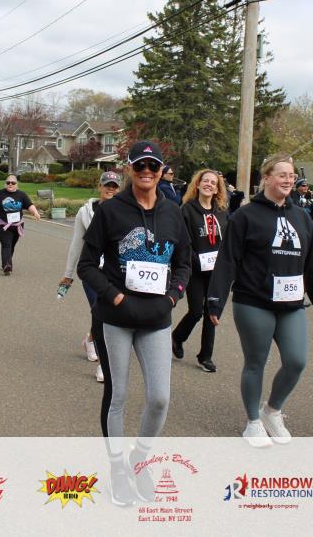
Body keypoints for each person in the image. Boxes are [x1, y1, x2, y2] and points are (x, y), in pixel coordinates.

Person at [77, 140, 191, 506]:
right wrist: (114, 296)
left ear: (161, 171)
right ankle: (116, 468)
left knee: (159, 399)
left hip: (157, 318)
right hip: (116, 318)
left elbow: (184, 263)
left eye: (152, 166)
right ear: (130, 168)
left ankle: (139, 461)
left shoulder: (173, 212)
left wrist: (173, 296)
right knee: (119, 395)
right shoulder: (111, 211)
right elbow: (86, 265)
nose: (146, 171)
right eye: (139, 165)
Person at [207, 155, 313, 447]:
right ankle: (252, 421)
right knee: (256, 363)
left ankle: (272, 410)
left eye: (291, 175)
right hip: (254, 302)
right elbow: (228, 260)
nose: (288, 180)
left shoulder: (302, 217)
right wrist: (215, 300)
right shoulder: (245, 216)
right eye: (282, 175)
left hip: (291, 304)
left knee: (296, 361)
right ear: (266, 178)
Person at [59, 170, 122, 383]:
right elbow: (77, 243)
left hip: (116, 272)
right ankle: (104, 365)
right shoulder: (85, 212)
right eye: (107, 185)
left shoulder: (125, 210)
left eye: (114, 186)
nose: (110, 189)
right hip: (92, 272)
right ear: (100, 186)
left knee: (108, 315)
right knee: (100, 314)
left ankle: (90, 339)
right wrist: (68, 274)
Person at [172, 168, 229, 373]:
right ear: (197, 184)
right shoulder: (187, 210)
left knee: (211, 312)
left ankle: (206, 356)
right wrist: (195, 260)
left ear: (217, 189)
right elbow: (183, 241)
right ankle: (177, 337)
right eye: (205, 181)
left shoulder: (221, 212)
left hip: (215, 271)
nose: (209, 185)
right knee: (196, 311)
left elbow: (226, 241)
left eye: (213, 183)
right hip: (195, 269)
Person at [0, 174, 40, 275]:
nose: (10, 184)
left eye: (13, 183)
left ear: (16, 184)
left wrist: (35, 213)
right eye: (8, 182)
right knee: (6, 244)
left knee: (11, 245)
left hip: (17, 225)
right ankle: (7, 265)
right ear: (5, 183)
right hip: (2, 225)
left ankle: (5, 263)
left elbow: (29, 205)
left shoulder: (21, 195)